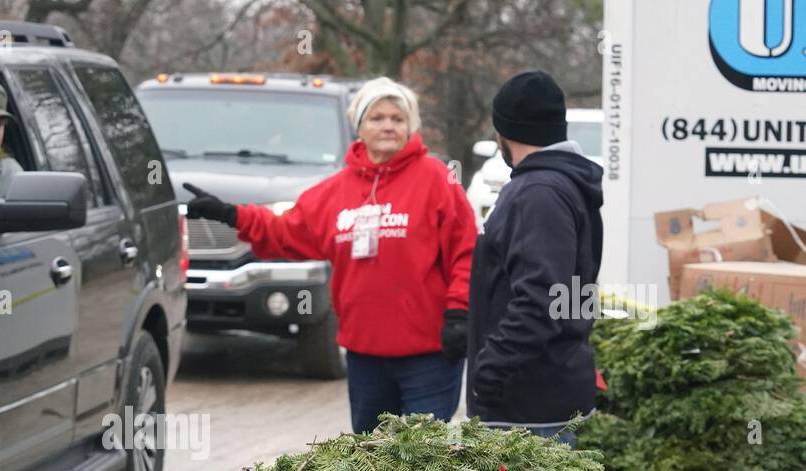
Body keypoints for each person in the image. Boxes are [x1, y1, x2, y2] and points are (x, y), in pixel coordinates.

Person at [184, 77, 476, 433]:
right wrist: (231, 214)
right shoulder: (335, 191)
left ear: (411, 127)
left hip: (429, 354)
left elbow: (466, 252)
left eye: (398, 119)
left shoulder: (437, 180)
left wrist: (459, 313)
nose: (388, 126)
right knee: (371, 460)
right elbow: (284, 230)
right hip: (365, 355)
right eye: (377, 117)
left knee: (428, 458)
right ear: (359, 127)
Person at [466, 70, 604, 445]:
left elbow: (540, 300)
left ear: (503, 134)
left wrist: (488, 374)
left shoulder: (537, 192)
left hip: (527, 409)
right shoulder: (565, 185)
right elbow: (573, 293)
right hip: (550, 396)